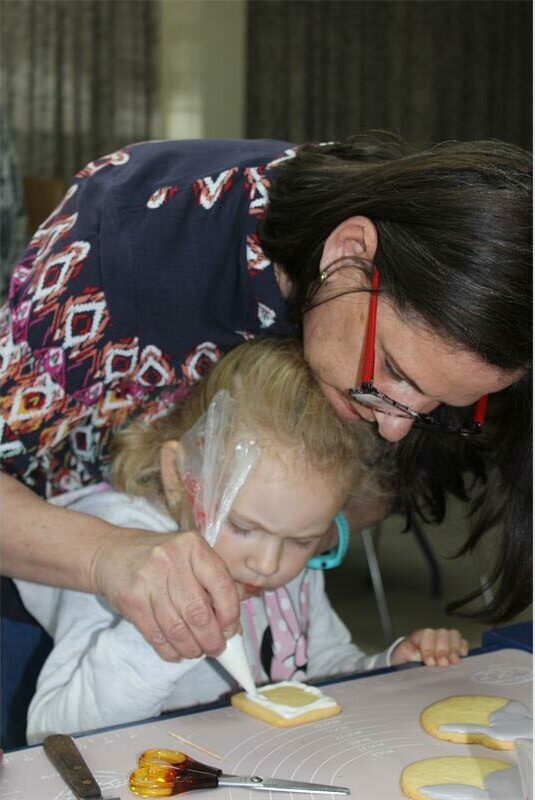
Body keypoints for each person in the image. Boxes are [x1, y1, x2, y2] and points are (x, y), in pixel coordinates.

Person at [1, 132, 531, 668]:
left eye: (433, 406)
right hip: (39, 569)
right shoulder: (131, 230)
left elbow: (401, 477)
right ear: (348, 253)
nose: (394, 428)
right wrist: (106, 555)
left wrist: (312, 528)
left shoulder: (461, 314)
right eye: (392, 370)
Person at [17, 338, 469, 744]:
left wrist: (392, 668)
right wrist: (163, 635)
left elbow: (323, 672)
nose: (269, 565)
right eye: (244, 528)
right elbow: (53, 733)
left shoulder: (284, 564)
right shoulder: (129, 557)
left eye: (301, 540)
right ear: (180, 476)